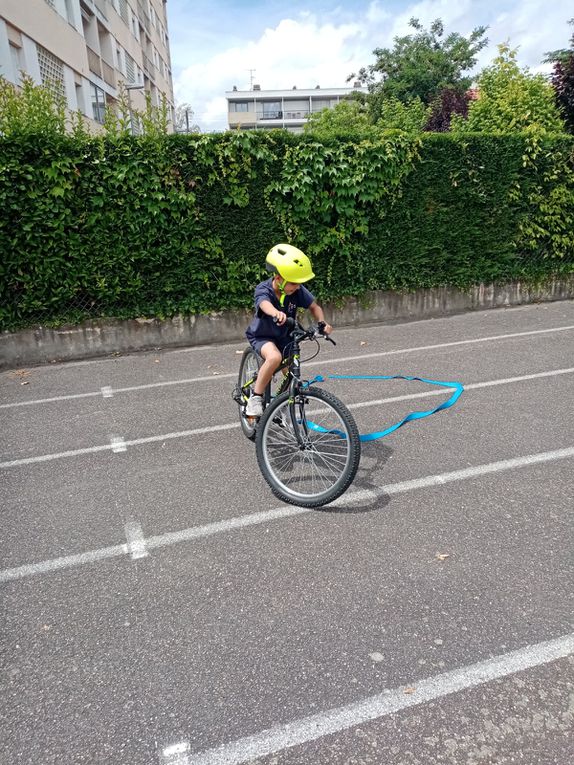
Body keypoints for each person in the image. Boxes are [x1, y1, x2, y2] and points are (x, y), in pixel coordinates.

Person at [244, 243, 333, 417]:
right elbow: (264, 304)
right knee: (275, 357)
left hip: (286, 337)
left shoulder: (296, 290)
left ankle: (282, 403)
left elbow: (314, 307)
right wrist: (275, 312)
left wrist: (322, 323)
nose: (298, 287)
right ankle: (255, 398)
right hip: (263, 336)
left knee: (292, 371)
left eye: (299, 284)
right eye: (294, 283)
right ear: (278, 278)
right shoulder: (264, 289)